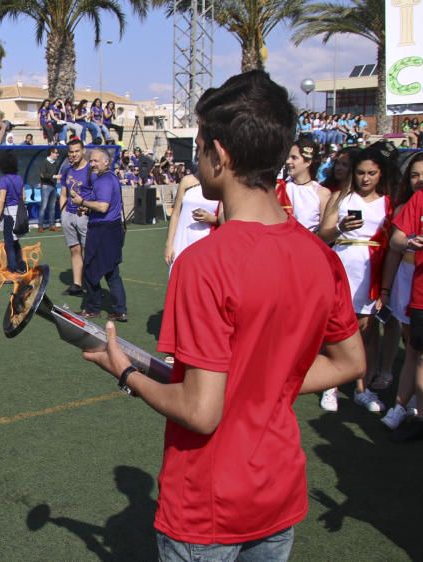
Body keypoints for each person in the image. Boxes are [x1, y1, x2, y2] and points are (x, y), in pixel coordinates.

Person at [82, 70, 364, 560]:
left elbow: (201, 412)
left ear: (222, 155)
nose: (197, 159)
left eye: (200, 146)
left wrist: (125, 370)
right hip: (278, 493)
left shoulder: (206, 263)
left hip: (207, 504)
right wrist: (265, 382)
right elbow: (348, 363)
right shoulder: (320, 256)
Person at [319, 147, 394, 413]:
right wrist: (339, 228)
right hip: (341, 264)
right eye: (360, 172)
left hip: (371, 269)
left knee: (368, 330)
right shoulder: (340, 197)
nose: (365, 178)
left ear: (380, 174)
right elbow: (322, 236)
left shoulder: (387, 202)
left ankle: (364, 388)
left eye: (371, 173)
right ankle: (331, 385)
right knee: (337, 327)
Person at [379, 152, 423, 431]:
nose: (420, 181)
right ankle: (402, 406)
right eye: (415, 174)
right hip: (415, 289)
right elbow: (396, 243)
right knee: (414, 352)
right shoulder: (415, 202)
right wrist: (410, 241)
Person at [70, 149, 127, 321]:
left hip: (104, 230)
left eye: (96, 161)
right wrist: (86, 208)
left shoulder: (104, 180)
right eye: (91, 161)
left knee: (89, 268)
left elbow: (103, 207)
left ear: (106, 162)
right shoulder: (108, 178)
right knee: (111, 271)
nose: (92, 164)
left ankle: (92, 307)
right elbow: (101, 206)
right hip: (110, 228)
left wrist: (82, 202)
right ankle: (120, 310)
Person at [163, 167, 217, 269]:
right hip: (182, 240)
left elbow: (228, 220)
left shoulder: (219, 184)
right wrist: (169, 243)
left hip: (206, 243)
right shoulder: (187, 181)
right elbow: (175, 214)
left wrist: (211, 219)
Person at [58, 139, 92, 295]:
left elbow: (97, 193)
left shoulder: (91, 169)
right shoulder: (66, 169)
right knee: (74, 250)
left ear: (83, 150)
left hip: (84, 215)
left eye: (77, 151)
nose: (74, 154)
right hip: (69, 214)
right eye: (71, 152)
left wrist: (89, 207)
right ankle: (77, 284)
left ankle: (91, 284)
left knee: (89, 251)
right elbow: (63, 193)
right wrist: (62, 212)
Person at [277, 139, 330, 232]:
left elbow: (324, 232)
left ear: (308, 162)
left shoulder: (321, 193)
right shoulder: (280, 188)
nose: (288, 161)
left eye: (294, 158)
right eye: (288, 157)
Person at [0, 152, 26, 273]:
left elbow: (1, 201)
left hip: (9, 213)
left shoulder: (4, 180)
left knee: (9, 243)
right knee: (16, 241)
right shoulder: (19, 178)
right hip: (20, 212)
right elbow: (24, 196)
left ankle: (12, 269)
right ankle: (21, 266)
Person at [38, 148, 63, 231]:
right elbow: (43, 175)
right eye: (56, 153)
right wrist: (55, 176)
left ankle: (52, 225)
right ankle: (40, 226)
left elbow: (55, 174)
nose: (57, 154)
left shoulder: (55, 163)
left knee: (52, 207)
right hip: (45, 186)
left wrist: (57, 178)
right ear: (51, 153)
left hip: (53, 186)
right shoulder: (44, 162)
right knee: (43, 207)